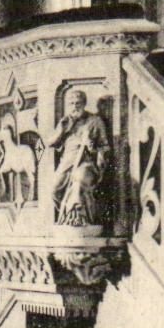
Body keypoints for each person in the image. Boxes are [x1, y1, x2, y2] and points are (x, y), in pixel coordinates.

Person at [51, 88, 111, 227]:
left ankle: (81, 219)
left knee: (79, 181)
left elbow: (105, 148)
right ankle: (67, 214)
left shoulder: (95, 121)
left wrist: (92, 148)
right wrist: (60, 131)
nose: (74, 106)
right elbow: (51, 143)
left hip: (86, 163)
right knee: (54, 190)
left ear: (84, 104)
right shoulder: (65, 122)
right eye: (71, 103)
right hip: (67, 163)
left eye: (78, 103)